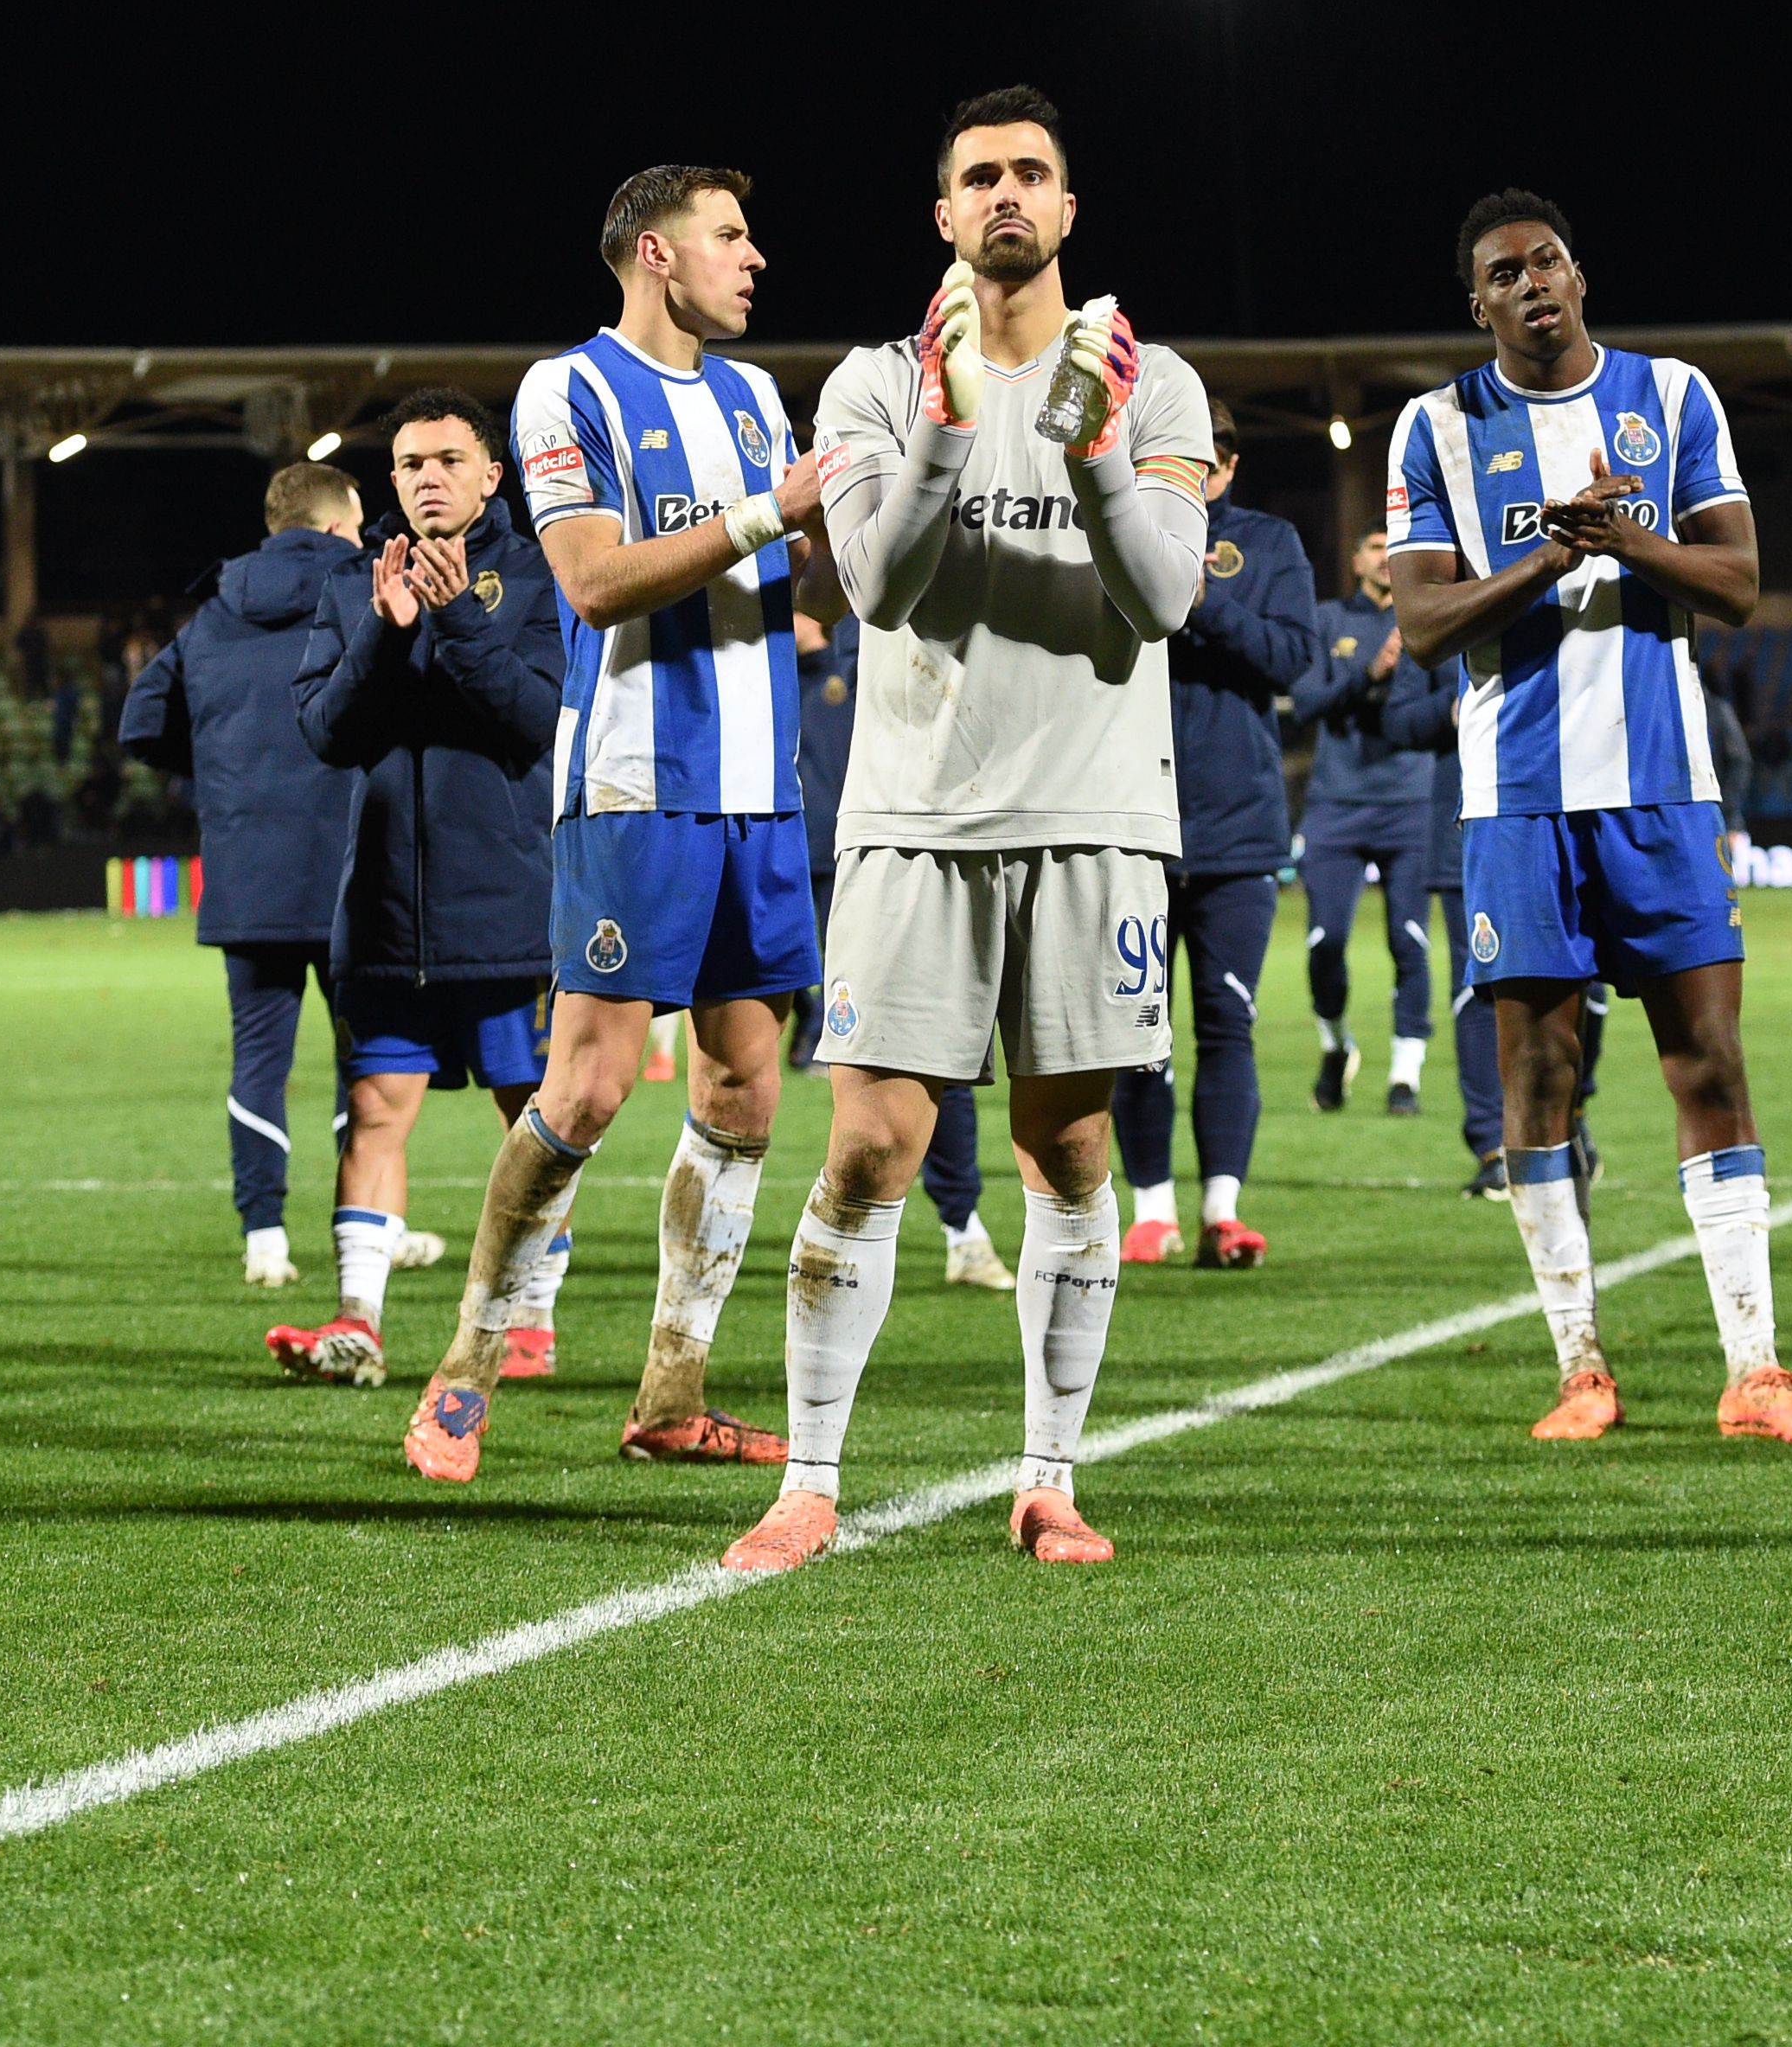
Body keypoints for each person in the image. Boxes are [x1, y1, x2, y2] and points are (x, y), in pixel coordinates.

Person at [725, 85, 1219, 1573]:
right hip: (914, 817)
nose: (1005, 195)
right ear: (942, 216)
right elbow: (874, 583)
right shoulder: (872, 385)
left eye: (1030, 175)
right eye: (976, 178)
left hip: (1095, 815)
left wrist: (1092, 450)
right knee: (869, 1148)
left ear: (1068, 211)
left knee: (1067, 1149)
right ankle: (809, 1478)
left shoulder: (1159, 384)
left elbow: (1162, 596)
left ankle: (1050, 1476)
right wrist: (946, 428)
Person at [396, 176, 855, 1483]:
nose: (754, 258)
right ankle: (467, 1365)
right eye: (729, 237)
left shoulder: (757, 398)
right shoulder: (568, 391)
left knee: (742, 1089)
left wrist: (845, 509)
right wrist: (779, 507)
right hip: (636, 782)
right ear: (655, 255)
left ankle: (673, 1390)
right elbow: (593, 583)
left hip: (763, 791)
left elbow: (800, 579)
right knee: (587, 1089)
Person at [1391, 187, 1792, 1447]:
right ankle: (1579, 1369)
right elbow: (1420, 626)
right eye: (1502, 273)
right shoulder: (1434, 428)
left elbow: (1741, 584)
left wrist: (1624, 539)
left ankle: (1754, 1372)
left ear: (1579, 277)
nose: (1530, 283)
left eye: (1547, 262)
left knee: (1708, 1063)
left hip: (1662, 790)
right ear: (1474, 301)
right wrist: (1546, 554)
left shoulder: (1675, 398)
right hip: (1517, 804)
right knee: (1540, 1078)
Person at [266, 390, 562, 1388]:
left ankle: (530, 1318)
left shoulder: (538, 575)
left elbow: (535, 723)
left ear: (491, 474)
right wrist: (389, 633)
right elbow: (328, 733)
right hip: (388, 908)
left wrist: (455, 623)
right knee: (376, 1105)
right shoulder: (355, 583)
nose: (426, 477)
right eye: (407, 463)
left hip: (508, 907)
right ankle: (358, 1321)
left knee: (533, 1115)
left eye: (446, 459)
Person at [120, 462, 370, 1293]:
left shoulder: (212, 615)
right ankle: (363, 1226)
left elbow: (140, 721)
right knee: (363, 1059)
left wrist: (221, 772)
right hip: (350, 870)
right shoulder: (368, 591)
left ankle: (264, 1235)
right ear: (337, 527)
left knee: (258, 1060)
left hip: (246, 872)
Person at [1110, 425, 1319, 1266]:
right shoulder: (1115, 530)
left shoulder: (1268, 543)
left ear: (1227, 465)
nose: (1177, 476)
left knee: (1227, 1023)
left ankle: (1222, 1211)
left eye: (1196, 462)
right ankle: (1151, 1210)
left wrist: (1205, 601)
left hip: (1236, 828)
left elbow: (1295, 659)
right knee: (1136, 1028)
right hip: (1129, 823)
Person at [790, 608, 1004, 1289]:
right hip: (790, 849)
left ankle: (961, 1228)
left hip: (906, 852)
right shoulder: (776, 643)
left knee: (931, 1051)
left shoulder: (882, 637)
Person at [1289, 523, 1439, 1113]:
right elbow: (1305, 702)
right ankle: (1335, 1045)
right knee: (1325, 942)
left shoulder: (1424, 618)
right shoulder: (1327, 621)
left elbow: (1441, 702)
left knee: (1410, 940)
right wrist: (1368, 676)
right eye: (1375, 549)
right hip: (1335, 804)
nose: (1384, 559)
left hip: (1409, 801)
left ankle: (1406, 1076)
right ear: (1355, 562)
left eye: (1391, 550)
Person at [1381, 641, 1511, 1194]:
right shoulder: (1439, 616)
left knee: (1583, 983)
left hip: (1560, 814)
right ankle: (1493, 1146)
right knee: (1477, 985)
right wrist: (1450, 712)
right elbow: (1399, 721)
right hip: (1468, 824)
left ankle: (1571, 1115)